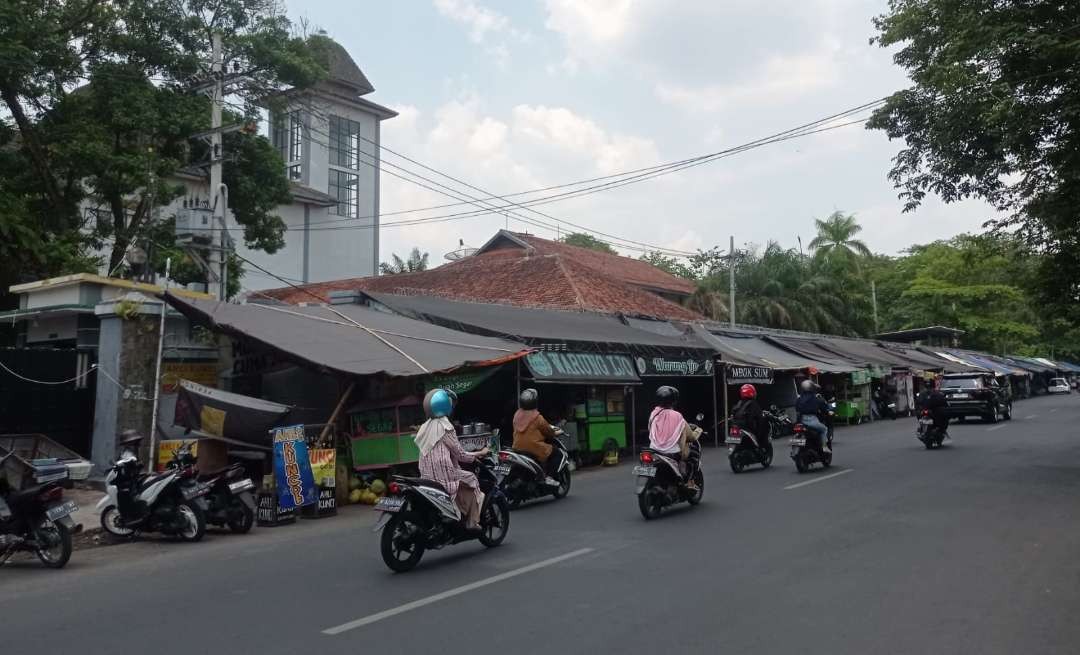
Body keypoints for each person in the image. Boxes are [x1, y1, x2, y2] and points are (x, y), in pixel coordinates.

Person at [415, 388, 489, 530]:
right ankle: (472, 522)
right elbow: (460, 454)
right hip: (444, 473)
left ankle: (456, 510)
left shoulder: (424, 427)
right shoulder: (446, 426)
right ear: (445, 405)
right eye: (451, 404)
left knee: (461, 477)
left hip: (425, 475)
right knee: (472, 478)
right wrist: (479, 453)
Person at [647, 386, 703, 488]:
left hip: (654, 450)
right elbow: (691, 437)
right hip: (672, 453)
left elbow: (650, 430)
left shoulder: (653, 414)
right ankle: (688, 481)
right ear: (673, 401)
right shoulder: (677, 416)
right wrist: (698, 431)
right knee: (693, 454)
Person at [511, 388, 559, 481]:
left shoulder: (516, 416)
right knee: (557, 453)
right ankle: (550, 477)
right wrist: (556, 433)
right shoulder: (538, 418)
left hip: (517, 448)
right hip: (534, 448)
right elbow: (549, 432)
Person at [732, 383, 772, 455]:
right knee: (763, 428)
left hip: (738, 425)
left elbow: (733, 413)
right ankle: (760, 445)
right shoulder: (753, 404)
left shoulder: (739, 403)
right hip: (748, 427)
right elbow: (759, 417)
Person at [795, 379, 831, 453]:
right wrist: (827, 411)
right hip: (811, 420)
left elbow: (797, 408)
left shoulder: (799, 398)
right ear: (812, 388)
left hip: (800, 420)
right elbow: (823, 407)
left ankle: (795, 449)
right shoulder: (815, 398)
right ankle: (824, 447)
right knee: (824, 429)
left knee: (798, 433)